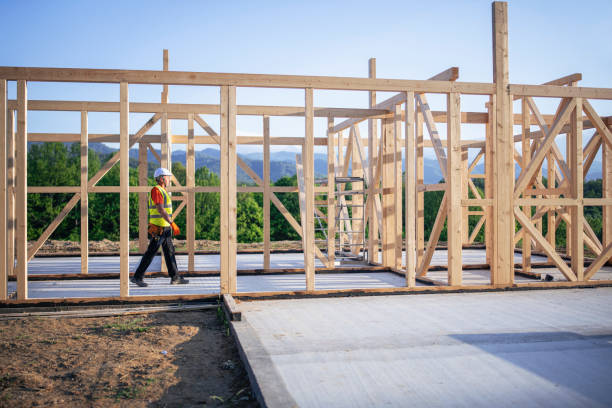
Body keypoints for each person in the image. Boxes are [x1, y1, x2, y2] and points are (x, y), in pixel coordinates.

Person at [130, 167, 189, 287]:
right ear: (162, 178)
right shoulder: (156, 190)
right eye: (168, 178)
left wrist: (169, 224)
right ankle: (137, 277)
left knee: (169, 252)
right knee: (151, 252)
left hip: (165, 228)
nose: (169, 180)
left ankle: (175, 277)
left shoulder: (163, 191)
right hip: (159, 228)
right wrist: (172, 222)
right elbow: (160, 209)